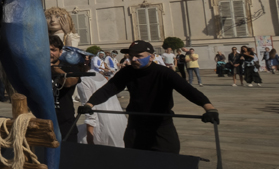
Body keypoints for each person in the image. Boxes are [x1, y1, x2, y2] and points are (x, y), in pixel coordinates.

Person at [79, 40, 218, 154]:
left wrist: (209, 108)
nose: (133, 59)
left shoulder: (164, 73)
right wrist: (89, 105)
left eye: (139, 56)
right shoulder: (127, 72)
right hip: (135, 125)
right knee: (135, 164)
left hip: (161, 126)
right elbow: (108, 89)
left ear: (151, 56)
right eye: (131, 55)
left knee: (168, 163)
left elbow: (188, 90)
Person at [74, 73, 127, 146]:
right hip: (119, 122)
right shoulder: (100, 75)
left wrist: (90, 137)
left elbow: (89, 110)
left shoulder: (83, 80)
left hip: (102, 125)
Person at [49, 37, 80, 141]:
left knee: (68, 154)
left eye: (53, 50)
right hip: (43, 120)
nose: (49, 53)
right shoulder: (36, 68)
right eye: (46, 49)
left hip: (65, 120)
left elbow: (69, 82)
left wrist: (54, 69)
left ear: (60, 52)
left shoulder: (70, 67)